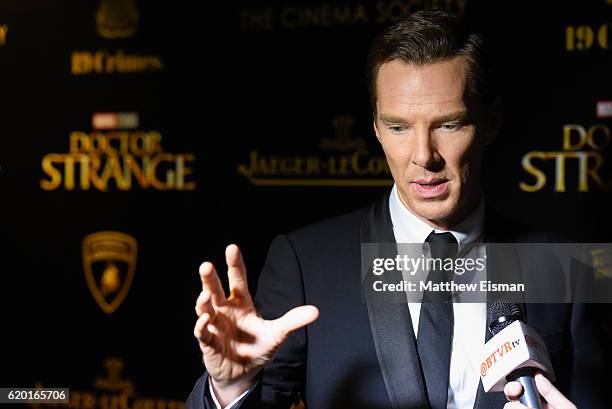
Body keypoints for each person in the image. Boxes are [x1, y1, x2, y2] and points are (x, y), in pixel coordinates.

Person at [187, 10, 606, 409]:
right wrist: (230, 388)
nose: (423, 156)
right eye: (399, 127)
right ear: (375, 127)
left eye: (449, 124)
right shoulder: (307, 263)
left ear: (490, 123)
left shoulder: (562, 266)